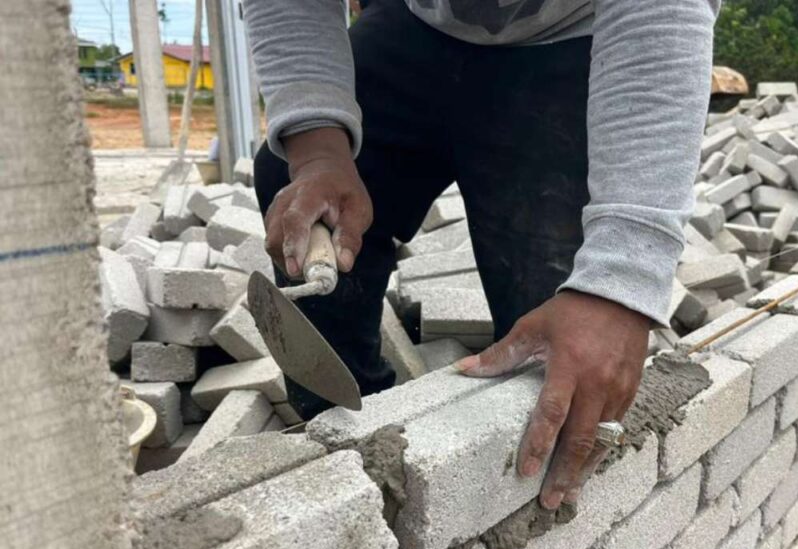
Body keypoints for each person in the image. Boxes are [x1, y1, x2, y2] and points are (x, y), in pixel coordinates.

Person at [245, 0, 718, 510]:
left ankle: (520, 504)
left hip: (571, 34)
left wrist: (621, 281)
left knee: (565, 358)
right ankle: (353, 447)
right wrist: (318, 154)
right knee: (297, 189)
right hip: (418, 20)